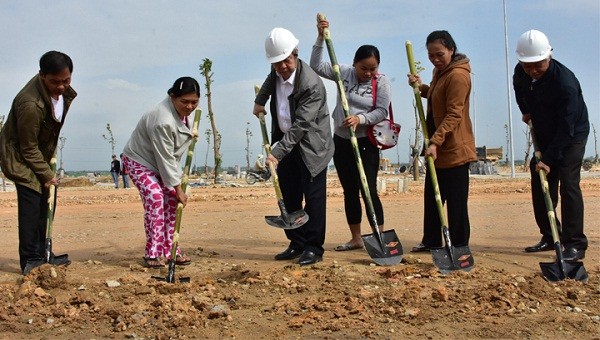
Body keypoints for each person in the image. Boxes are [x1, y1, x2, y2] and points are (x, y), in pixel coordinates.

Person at [254, 27, 334, 266]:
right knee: (289, 194)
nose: (282, 67)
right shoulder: (276, 69)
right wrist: (260, 101)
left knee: (313, 200)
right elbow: (270, 82)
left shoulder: (312, 85)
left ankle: (313, 247)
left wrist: (275, 153)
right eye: (277, 63)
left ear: (296, 54)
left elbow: (301, 126)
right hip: (286, 142)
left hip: (312, 147)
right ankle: (296, 243)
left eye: (286, 61)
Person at [310, 17, 390, 251]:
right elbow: (316, 65)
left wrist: (360, 119)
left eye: (372, 69)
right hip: (342, 141)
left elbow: (381, 111)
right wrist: (320, 37)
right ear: (354, 64)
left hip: (366, 141)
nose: (368, 73)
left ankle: (379, 236)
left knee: (368, 190)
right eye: (363, 68)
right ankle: (356, 238)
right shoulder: (343, 72)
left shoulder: (382, 82)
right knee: (350, 191)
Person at [512, 30, 589, 260]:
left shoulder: (565, 83)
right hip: (543, 133)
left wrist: (548, 159)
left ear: (549, 57)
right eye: (528, 66)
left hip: (572, 136)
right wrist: (525, 110)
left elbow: (567, 128)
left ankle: (575, 244)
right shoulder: (521, 72)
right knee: (540, 185)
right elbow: (519, 89)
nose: (533, 70)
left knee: (568, 183)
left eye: (538, 65)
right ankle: (550, 234)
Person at [0, 51, 76, 274]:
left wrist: (46, 170)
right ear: (42, 75)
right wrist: (46, 174)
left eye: (66, 80)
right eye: (55, 82)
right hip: (20, 158)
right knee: (32, 207)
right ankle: (31, 259)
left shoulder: (59, 92)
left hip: (38, 156)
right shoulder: (31, 104)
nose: (62, 86)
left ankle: (44, 254)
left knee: (47, 204)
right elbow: (27, 147)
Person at [407, 31, 477, 253]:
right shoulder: (440, 72)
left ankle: (459, 245)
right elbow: (438, 97)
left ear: (451, 50)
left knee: (456, 204)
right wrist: (421, 88)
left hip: (454, 149)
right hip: (437, 149)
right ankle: (431, 241)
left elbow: (454, 113)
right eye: (431, 55)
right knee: (433, 198)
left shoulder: (457, 76)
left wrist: (435, 142)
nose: (435, 59)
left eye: (439, 54)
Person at [121, 77, 199, 268]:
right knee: (156, 197)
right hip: (139, 161)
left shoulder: (184, 114)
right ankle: (153, 253)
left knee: (171, 201)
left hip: (161, 162)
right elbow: (165, 158)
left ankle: (171, 250)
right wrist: (178, 188)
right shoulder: (162, 120)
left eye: (194, 102)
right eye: (185, 102)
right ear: (172, 97)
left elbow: (170, 156)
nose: (189, 106)